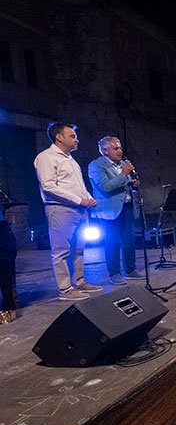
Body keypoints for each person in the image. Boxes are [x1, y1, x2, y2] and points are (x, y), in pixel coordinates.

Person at [33, 122, 102, 300]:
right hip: (60, 209)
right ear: (59, 137)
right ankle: (65, 289)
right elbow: (48, 186)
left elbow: (78, 185)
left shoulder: (71, 159)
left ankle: (80, 282)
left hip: (79, 210)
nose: (76, 139)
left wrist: (88, 197)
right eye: (72, 136)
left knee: (79, 249)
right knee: (61, 251)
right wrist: (80, 200)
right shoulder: (46, 157)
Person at [88, 136, 143, 285]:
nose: (120, 151)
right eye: (116, 148)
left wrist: (133, 184)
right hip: (109, 210)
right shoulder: (96, 165)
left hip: (127, 206)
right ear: (105, 150)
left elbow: (124, 183)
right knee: (112, 243)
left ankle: (130, 270)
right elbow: (105, 187)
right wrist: (124, 175)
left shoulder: (123, 164)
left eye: (120, 148)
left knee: (129, 241)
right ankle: (114, 273)